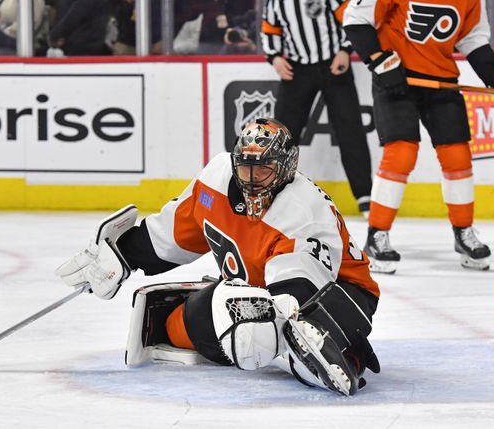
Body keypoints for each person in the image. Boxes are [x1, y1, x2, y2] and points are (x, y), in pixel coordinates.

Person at [54, 118, 381, 396]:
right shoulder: (215, 180)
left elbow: (296, 287)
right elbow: (171, 235)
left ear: (286, 169)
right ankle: (292, 348)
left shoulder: (301, 209)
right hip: (257, 289)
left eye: (263, 171)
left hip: (339, 293)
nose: (251, 180)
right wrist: (122, 254)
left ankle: (321, 351)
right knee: (175, 328)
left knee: (258, 335)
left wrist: (279, 321)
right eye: (246, 168)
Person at [343, 0, 494, 273]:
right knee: (400, 154)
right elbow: (356, 19)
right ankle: (377, 236)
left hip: (441, 80)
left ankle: (464, 233)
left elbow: (474, 37)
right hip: (395, 80)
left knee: (458, 158)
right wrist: (382, 62)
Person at [262, 0, 373, 218]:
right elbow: (269, 34)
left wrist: (345, 50)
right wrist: (275, 58)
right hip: (298, 71)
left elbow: (351, 19)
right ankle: (272, 192)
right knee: (282, 136)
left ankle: (365, 196)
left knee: (350, 130)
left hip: (332, 67)